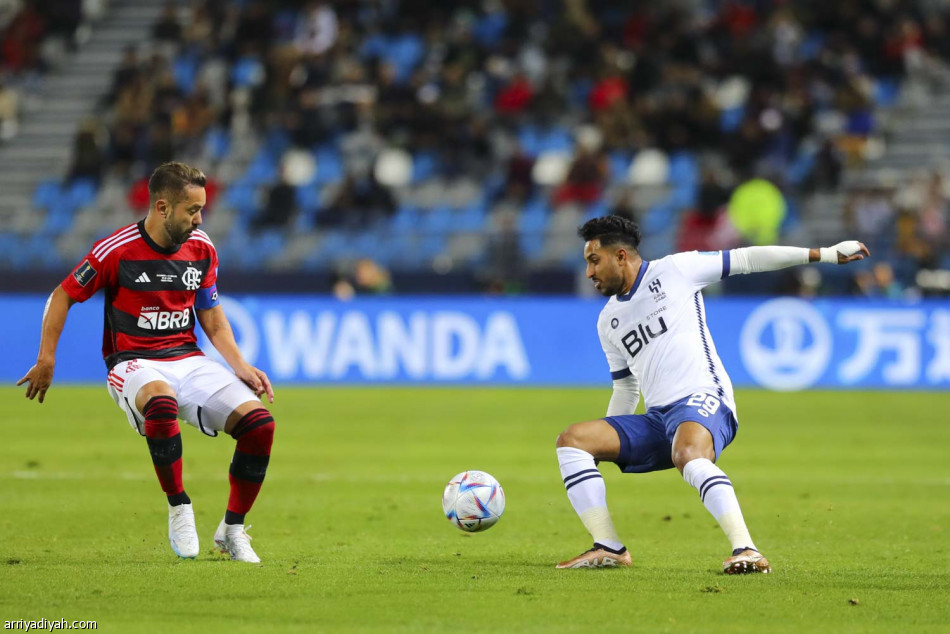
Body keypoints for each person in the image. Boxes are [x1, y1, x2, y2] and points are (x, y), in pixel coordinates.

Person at [555, 215, 869, 572]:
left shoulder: (676, 270)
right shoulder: (608, 320)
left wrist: (825, 255)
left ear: (621, 256)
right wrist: (607, 441)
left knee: (688, 453)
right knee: (573, 440)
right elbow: (626, 386)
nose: (588, 273)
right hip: (659, 419)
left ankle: (747, 549)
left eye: (594, 261)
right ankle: (609, 546)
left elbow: (748, 260)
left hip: (704, 397)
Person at [17, 162, 276, 564]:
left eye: (201, 209)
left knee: (260, 427)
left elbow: (211, 313)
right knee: (160, 403)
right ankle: (179, 507)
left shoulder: (203, 249)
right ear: (161, 208)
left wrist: (239, 364)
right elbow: (63, 294)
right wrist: (46, 357)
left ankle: (233, 529)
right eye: (192, 210)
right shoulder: (115, 250)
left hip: (187, 359)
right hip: (133, 362)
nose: (199, 219)